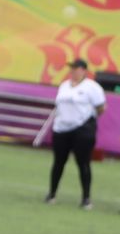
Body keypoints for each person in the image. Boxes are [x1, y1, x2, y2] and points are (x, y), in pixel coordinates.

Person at [45, 58, 106, 208]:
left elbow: (101, 108)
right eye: (71, 68)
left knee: (83, 163)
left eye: (76, 68)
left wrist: (85, 119)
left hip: (82, 129)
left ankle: (86, 198)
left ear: (84, 70)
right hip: (61, 128)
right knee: (58, 162)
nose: (73, 71)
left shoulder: (92, 87)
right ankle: (52, 193)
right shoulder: (65, 85)